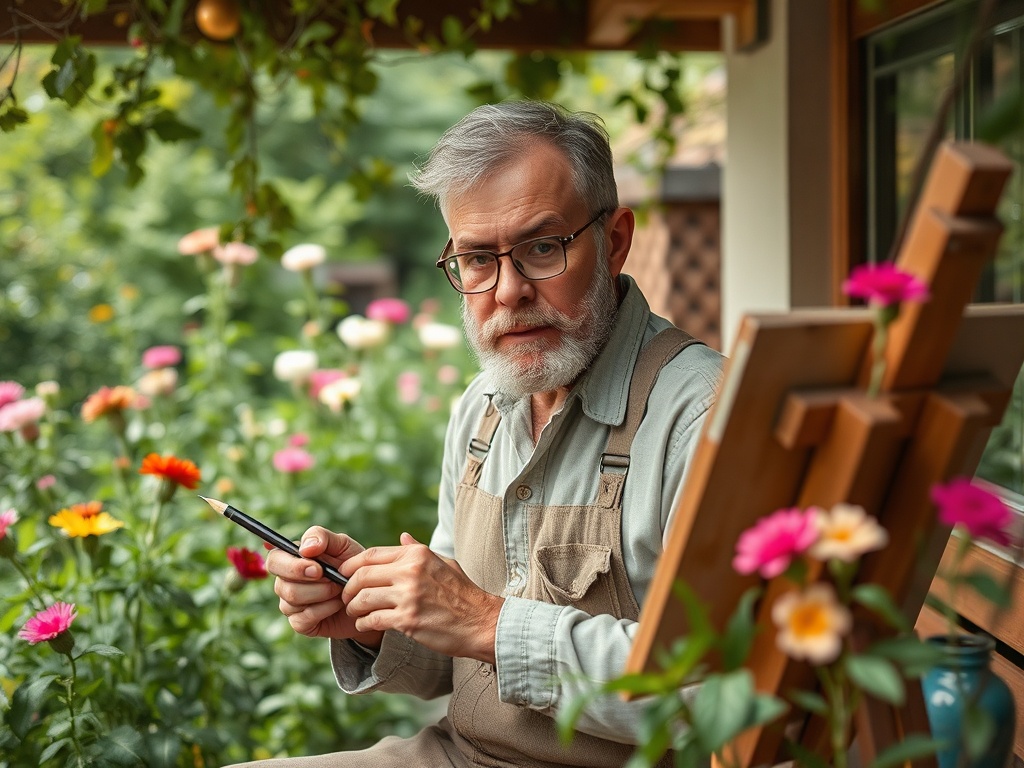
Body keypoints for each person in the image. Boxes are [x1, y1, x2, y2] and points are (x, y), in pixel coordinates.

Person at [230, 100, 724, 767]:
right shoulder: (483, 406)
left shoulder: (699, 415)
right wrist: (376, 617)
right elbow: (457, 661)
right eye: (477, 259)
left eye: (542, 248)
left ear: (614, 242)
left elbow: (711, 697)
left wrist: (488, 623)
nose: (508, 290)